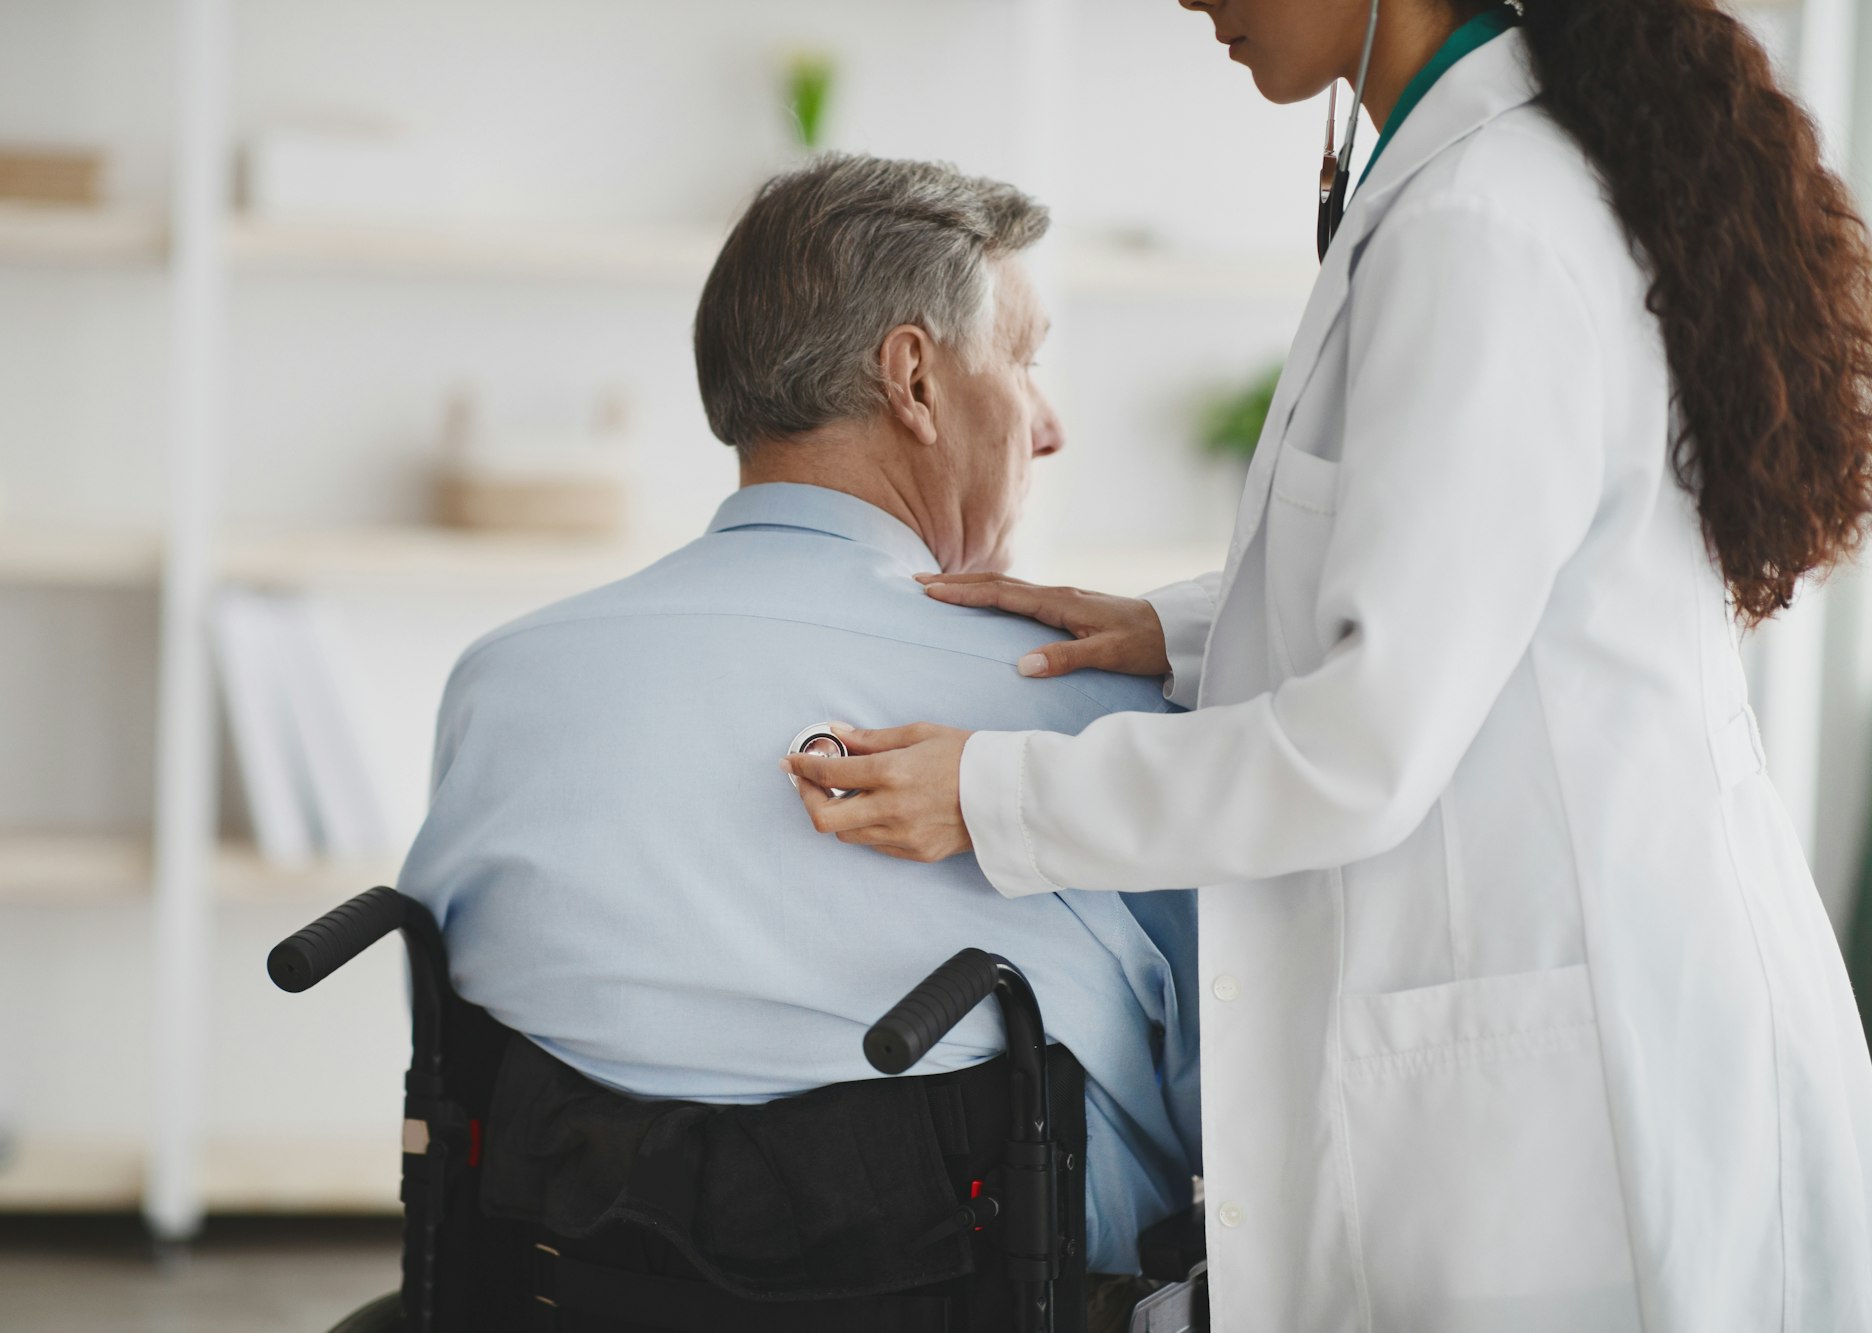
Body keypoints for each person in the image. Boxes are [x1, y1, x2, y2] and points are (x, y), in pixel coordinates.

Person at [781, 2, 1872, 1329]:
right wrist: (1180, 630)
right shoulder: (1469, 184)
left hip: (1592, 1070)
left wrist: (994, 796)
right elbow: (1465, 579)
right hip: (1574, 1012)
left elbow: (1364, 746)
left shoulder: (1484, 222)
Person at [398, 155, 1200, 1308]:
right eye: (1022, 359)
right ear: (913, 379)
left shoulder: (505, 681)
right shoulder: (1074, 698)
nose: (1049, 424)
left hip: (572, 1286)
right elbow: (1233, 1104)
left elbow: (465, 1036)